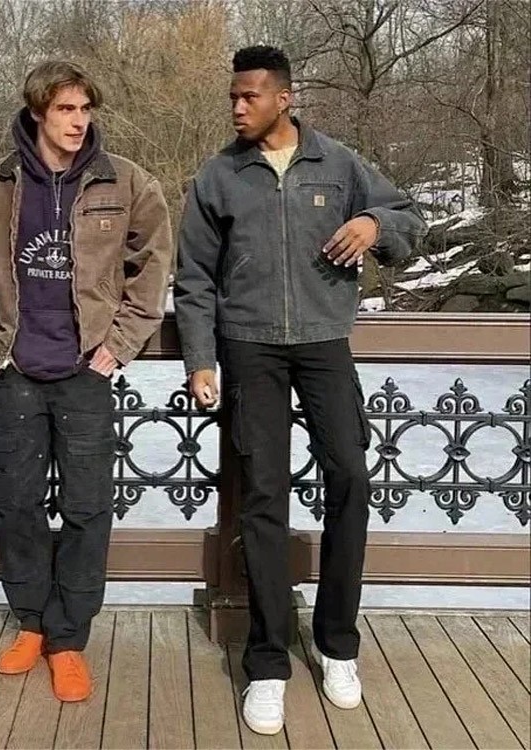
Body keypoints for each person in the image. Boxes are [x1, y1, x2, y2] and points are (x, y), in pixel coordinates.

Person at [174, 45, 426, 735]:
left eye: (249, 96)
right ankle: (265, 661)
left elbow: (410, 218)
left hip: (323, 343)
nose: (237, 107)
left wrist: (375, 224)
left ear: (283, 98)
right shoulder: (218, 176)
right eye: (232, 96)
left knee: (350, 478)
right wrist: (200, 359)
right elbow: (193, 278)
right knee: (263, 496)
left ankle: (337, 644)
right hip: (248, 347)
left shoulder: (338, 164)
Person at [0, 60, 172, 702]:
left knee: (86, 507)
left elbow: (155, 263)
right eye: (65, 110)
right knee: (15, 502)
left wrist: (120, 343)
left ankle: (68, 637)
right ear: (38, 113)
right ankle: (30, 623)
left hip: (86, 372)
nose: (78, 122)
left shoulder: (126, 180)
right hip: (18, 370)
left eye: (85, 109)